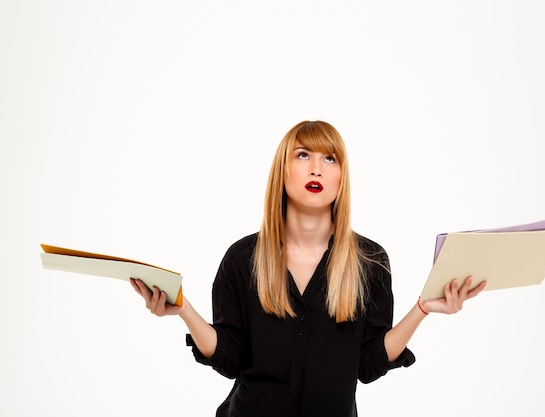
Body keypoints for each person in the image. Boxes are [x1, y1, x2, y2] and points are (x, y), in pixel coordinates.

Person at [130, 120, 486, 417]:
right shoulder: (242, 259)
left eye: (330, 158)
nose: (317, 168)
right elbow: (231, 359)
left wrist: (422, 308)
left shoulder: (369, 261)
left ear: (342, 178)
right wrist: (184, 311)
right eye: (303, 155)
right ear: (282, 170)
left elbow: (367, 365)